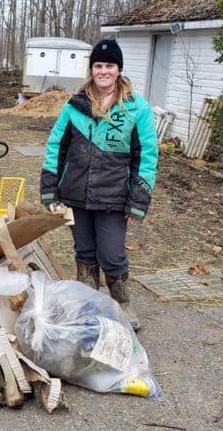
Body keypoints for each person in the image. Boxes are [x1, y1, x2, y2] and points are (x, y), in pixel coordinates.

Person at [40, 39, 158, 330]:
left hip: (114, 197)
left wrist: (138, 200)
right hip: (75, 194)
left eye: (110, 66)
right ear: (91, 69)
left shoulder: (136, 108)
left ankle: (122, 304)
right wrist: (50, 189)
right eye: (98, 65)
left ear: (119, 70)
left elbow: (147, 155)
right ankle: (88, 305)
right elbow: (56, 146)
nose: (103, 71)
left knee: (112, 255)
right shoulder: (74, 106)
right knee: (85, 253)